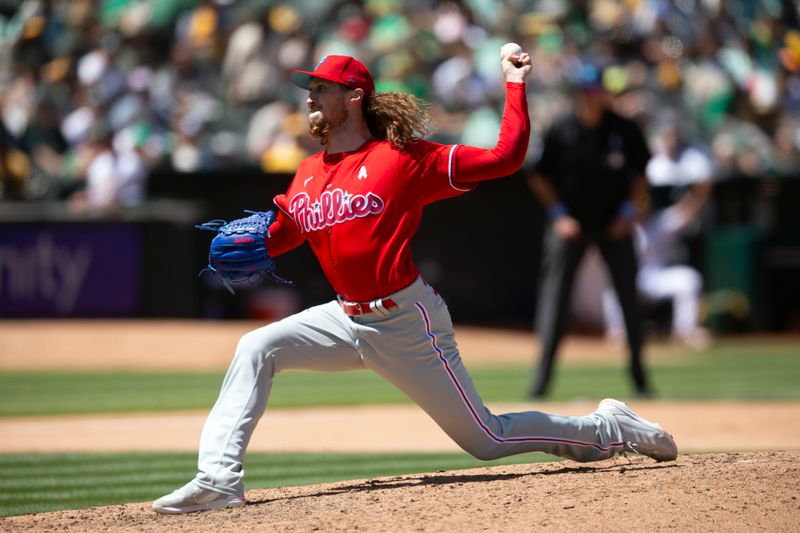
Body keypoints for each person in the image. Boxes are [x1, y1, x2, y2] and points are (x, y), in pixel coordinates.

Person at [152, 52, 677, 515]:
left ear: (353, 97)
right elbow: (288, 232)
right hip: (344, 316)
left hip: (405, 320)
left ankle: (609, 427)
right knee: (256, 347)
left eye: (320, 88)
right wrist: (262, 238)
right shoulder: (309, 170)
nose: (309, 96)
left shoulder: (404, 158)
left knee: (488, 439)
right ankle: (219, 480)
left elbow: (506, 157)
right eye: (309, 88)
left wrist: (513, 85)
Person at [527, 63, 652, 399]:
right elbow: (539, 175)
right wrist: (558, 214)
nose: (590, 96)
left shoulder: (624, 129)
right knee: (555, 300)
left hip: (614, 224)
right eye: (585, 90)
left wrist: (628, 212)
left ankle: (641, 378)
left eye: (595, 90)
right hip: (571, 225)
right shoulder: (562, 128)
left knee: (629, 298)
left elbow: (641, 172)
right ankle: (541, 382)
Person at [603, 120, 713, 350]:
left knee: (689, 280)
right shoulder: (625, 221)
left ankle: (685, 331)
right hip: (632, 277)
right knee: (613, 283)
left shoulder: (661, 222)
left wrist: (703, 190)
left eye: (645, 203)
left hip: (654, 278)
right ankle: (617, 332)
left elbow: (688, 210)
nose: (642, 207)